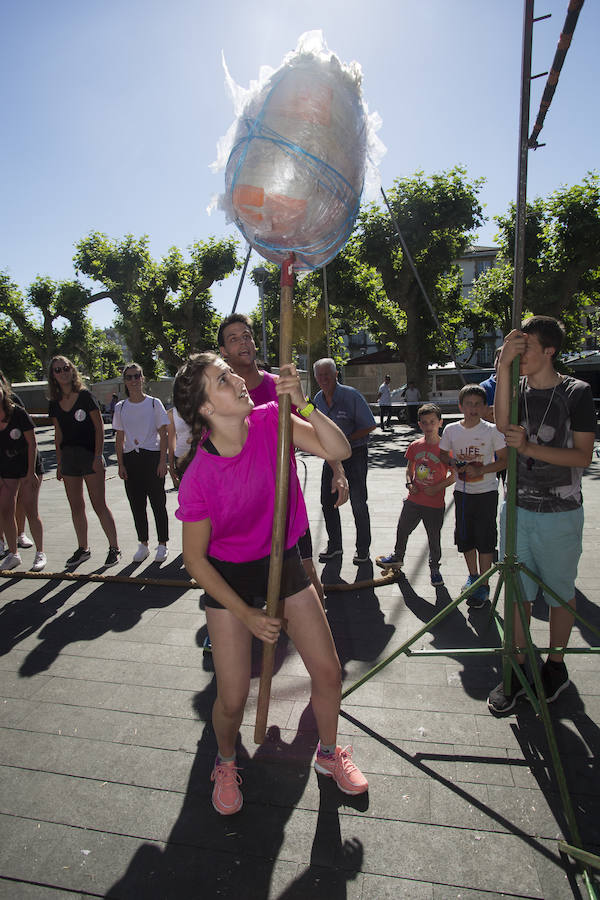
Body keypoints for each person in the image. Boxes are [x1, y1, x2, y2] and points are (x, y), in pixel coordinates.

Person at [173, 352, 368, 815]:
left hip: (281, 556)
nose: (238, 379)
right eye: (223, 379)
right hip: (229, 576)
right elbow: (195, 561)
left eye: (231, 372)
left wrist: (302, 403)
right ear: (205, 408)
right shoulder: (198, 477)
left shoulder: (271, 420)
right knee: (233, 696)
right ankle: (224, 759)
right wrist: (247, 615)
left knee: (327, 669)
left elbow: (338, 450)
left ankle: (327, 753)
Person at [487, 316, 596, 714]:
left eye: (525, 346)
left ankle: (555, 665)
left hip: (560, 513)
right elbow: (501, 424)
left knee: (558, 593)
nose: (518, 353)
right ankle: (515, 668)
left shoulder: (576, 392)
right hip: (516, 508)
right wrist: (501, 367)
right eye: (514, 346)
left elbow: (582, 456)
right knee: (516, 592)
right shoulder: (514, 388)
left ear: (549, 350)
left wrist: (530, 448)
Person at [218, 314, 349, 603]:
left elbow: (316, 434)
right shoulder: (219, 396)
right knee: (236, 577)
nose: (244, 342)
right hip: (241, 506)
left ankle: (318, 626)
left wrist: (338, 469)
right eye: (234, 338)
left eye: (247, 335)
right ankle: (227, 621)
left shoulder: (281, 387)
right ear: (223, 352)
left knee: (305, 571)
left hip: (284, 497)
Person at [48, 355, 121, 568]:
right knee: (76, 506)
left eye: (65, 368)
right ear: (53, 375)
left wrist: (98, 457)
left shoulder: (85, 396)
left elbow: (99, 428)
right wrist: (60, 463)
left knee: (99, 504)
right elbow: (58, 434)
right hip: (69, 458)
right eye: (57, 370)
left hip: (90, 455)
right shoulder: (54, 403)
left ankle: (114, 548)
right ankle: (83, 549)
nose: (62, 372)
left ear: (72, 370)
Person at [439, 384, 507, 608]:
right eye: (468, 404)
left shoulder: (492, 430)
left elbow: (505, 460)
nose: (473, 408)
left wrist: (481, 470)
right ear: (460, 406)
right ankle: (473, 576)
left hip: (486, 493)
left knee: (485, 537)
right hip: (462, 493)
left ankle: (484, 583)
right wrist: (453, 464)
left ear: (486, 407)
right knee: (465, 535)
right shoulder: (451, 430)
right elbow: (442, 453)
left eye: (478, 404)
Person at [375, 403, 454, 586]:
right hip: (414, 500)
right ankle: (397, 557)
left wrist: (437, 487)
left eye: (432, 422)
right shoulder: (415, 446)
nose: (428, 426)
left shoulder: (445, 449)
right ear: (420, 425)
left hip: (434, 504)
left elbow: (455, 475)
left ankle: (435, 568)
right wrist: (410, 483)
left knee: (434, 538)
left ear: (440, 423)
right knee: (402, 529)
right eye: (425, 423)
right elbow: (409, 468)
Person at [313, 358, 376, 565]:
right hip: (330, 457)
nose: (324, 379)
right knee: (327, 502)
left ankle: (363, 549)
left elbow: (369, 425)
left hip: (355, 454)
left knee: (358, 502)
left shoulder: (351, 395)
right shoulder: (317, 399)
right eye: (320, 375)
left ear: (336, 375)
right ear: (315, 377)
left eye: (327, 375)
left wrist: (344, 441)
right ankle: (335, 546)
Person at [113, 363, 170, 563]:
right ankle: (143, 543)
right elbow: (119, 438)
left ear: (143, 378)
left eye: (137, 376)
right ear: (125, 382)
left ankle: (162, 544)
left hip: (152, 457)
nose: (134, 380)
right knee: (137, 504)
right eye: (129, 377)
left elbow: (164, 435)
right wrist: (120, 464)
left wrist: (163, 461)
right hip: (131, 459)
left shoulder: (154, 403)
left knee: (158, 503)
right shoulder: (121, 407)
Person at [0, 381, 46, 571]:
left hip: (29, 466)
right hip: (6, 468)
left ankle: (40, 553)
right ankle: (13, 554)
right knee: (5, 508)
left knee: (30, 509)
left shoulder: (17, 412)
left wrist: (30, 473)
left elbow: (32, 443)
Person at [167, 405, 192, 489]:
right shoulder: (171, 413)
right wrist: (171, 467)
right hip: (181, 459)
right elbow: (171, 442)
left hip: (201, 457)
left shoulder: (201, 407)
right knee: (187, 495)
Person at [479, 348, 502, 423]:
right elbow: (484, 414)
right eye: (498, 359)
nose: (500, 364)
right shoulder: (484, 387)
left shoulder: (519, 385)